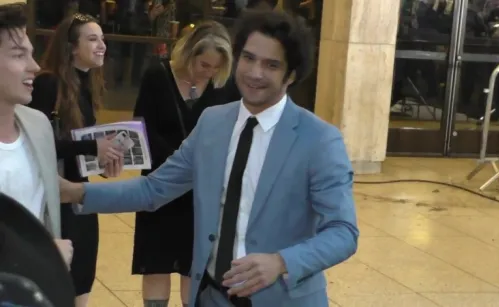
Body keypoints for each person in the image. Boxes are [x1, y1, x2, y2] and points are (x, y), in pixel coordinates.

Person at [61, 10, 359, 307]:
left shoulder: (319, 139)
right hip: (212, 296)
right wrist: (76, 192)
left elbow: (343, 232)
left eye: (271, 65)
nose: (255, 73)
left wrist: (282, 261)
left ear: (291, 75)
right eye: (249, 58)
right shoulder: (213, 123)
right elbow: (154, 189)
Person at [132, 20, 234, 307]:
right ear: (189, 54)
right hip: (160, 182)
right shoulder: (158, 76)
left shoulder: (224, 85)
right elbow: (142, 126)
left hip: (204, 189)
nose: (209, 72)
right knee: (155, 262)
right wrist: (180, 162)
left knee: (194, 262)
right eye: (204, 65)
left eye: (215, 67)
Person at [28, 13, 123, 307]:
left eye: (103, 39)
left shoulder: (87, 84)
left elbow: (79, 147)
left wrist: (103, 162)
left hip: (80, 194)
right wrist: (92, 146)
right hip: (56, 198)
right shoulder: (48, 84)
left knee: (82, 279)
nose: (101, 46)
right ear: (71, 47)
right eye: (92, 39)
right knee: (60, 281)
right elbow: (40, 143)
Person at [0, 0, 73, 268]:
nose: (34, 66)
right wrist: (41, 256)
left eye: (31, 54)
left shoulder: (38, 125)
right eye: (19, 55)